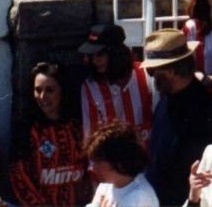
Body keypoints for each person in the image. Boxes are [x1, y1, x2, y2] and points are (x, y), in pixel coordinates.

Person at [143, 29, 212, 206]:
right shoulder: (168, 98)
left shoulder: (201, 108)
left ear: (170, 71)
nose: (152, 76)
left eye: (153, 71)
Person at [9, 63, 91, 206]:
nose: (42, 96)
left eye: (50, 90)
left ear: (62, 91)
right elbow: (20, 179)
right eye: (38, 90)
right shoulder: (27, 130)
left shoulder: (79, 126)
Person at [78, 23, 155, 144]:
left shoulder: (146, 75)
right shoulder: (90, 87)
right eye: (91, 55)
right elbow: (90, 136)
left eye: (100, 54)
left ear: (116, 53)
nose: (95, 60)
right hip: (114, 161)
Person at [85, 123, 159, 207]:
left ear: (119, 163)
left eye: (98, 162)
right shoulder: (105, 187)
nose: (92, 168)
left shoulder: (139, 197)